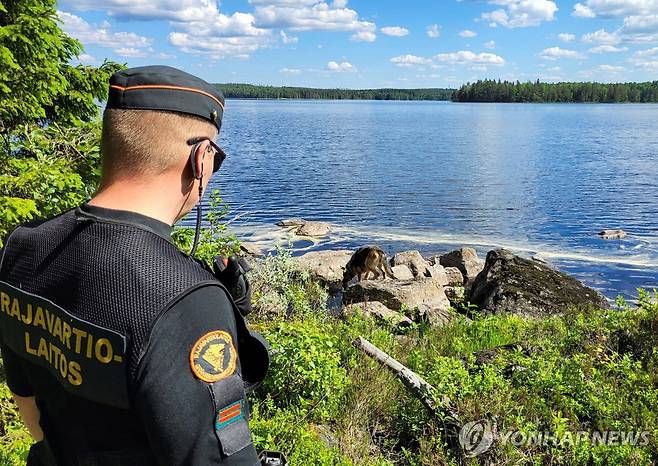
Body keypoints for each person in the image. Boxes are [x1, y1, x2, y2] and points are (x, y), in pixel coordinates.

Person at [0, 65, 269, 465]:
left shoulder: (22, 247)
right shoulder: (184, 300)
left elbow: (29, 406)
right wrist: (202, 308)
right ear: (201, 158)